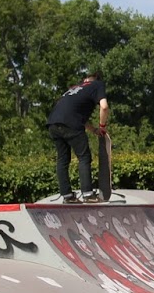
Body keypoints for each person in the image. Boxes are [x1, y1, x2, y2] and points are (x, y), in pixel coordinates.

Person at [46, 69, 109, 203]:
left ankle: (67, 196)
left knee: (62, 159)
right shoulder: (97, 85)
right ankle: (88, 195)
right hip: (70, 123)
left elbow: (78, 114)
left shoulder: (75, 89)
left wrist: (93, 130)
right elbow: (104, 107)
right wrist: (102, 126)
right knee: (84, 157)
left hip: (52, 123)